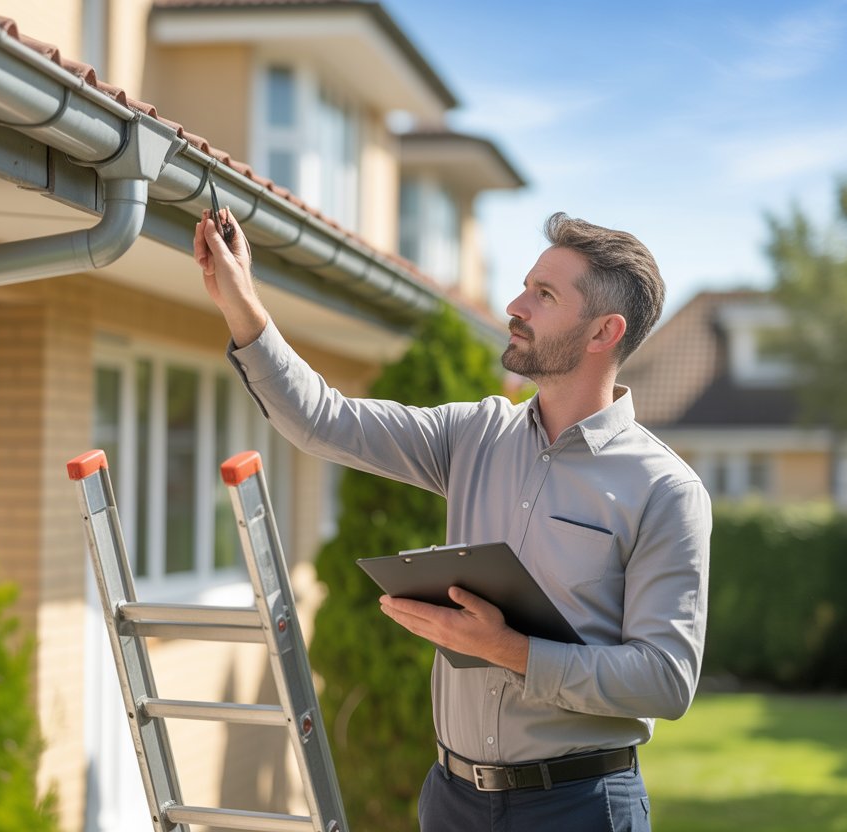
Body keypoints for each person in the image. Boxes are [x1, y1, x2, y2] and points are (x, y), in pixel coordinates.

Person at [194, 207, 711, 832]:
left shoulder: (664, 490)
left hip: (579, 809)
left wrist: (511, 651)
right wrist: (241, 301)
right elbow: (323, 420)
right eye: (524, 285)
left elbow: (664, 678)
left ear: (604, 332)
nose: (515, 305)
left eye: (544, 295)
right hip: (451, 801)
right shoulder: (474, 434)